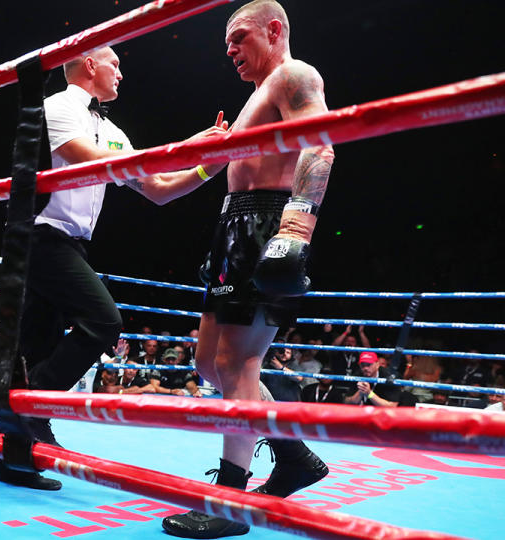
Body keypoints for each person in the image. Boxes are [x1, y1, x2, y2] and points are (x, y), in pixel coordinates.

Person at [0, 44, 228, 491]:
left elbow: (157, 188)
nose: (121, 73)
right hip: (39, 237)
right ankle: (27, 407)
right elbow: (97, 163)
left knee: (37, 347)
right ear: (90, 65)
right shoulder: (55, 106)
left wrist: (207, 167)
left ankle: (13, 459)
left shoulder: (114, 130)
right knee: (104, 321)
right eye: (115, 64)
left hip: (72, 245)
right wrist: (187, 145)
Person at [158, 2, 334, 537]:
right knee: (210, 364)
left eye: (238, 38)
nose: (230, 51)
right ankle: (293, 453)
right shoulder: (253, 98)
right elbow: (196, 177)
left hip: (267, 223)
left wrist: (295, 228)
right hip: (234, 228)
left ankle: (229, 499)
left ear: (273, 29)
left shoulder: (294, 76)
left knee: (238, 363)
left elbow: (320, 148)